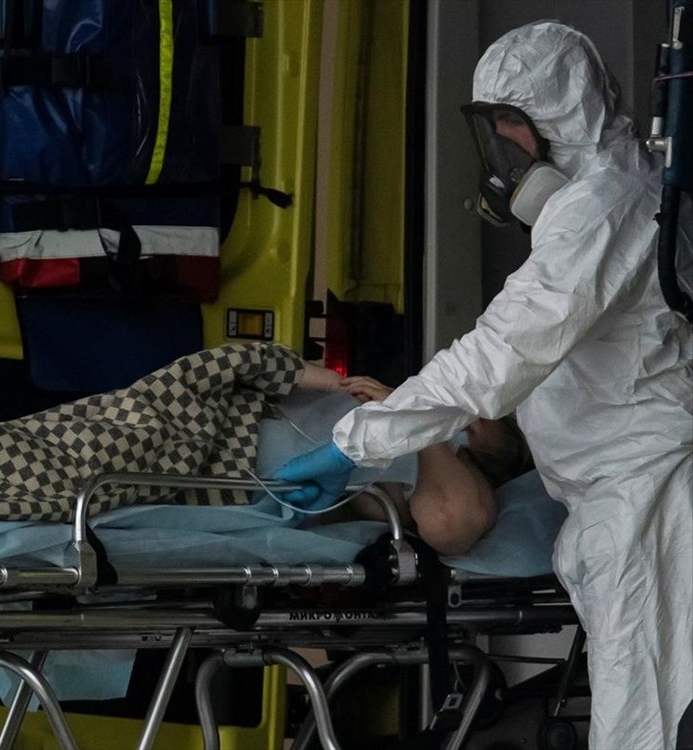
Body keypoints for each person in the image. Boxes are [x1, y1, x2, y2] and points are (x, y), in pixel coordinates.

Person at [274, 22, 692, 749]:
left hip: (642, 493)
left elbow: (501, 353)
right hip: (622, 491)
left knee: (641, 723)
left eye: (508, 123)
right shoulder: (615, 194)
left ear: (558, 116)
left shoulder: (605, 207)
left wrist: (355, 443)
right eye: (491, 126)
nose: (499, 148)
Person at [297, 364, 531, 556]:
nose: (466, 421)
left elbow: (448, 522)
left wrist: (420, 424)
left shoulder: (468, 493)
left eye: (470, 425)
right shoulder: (402, 403)